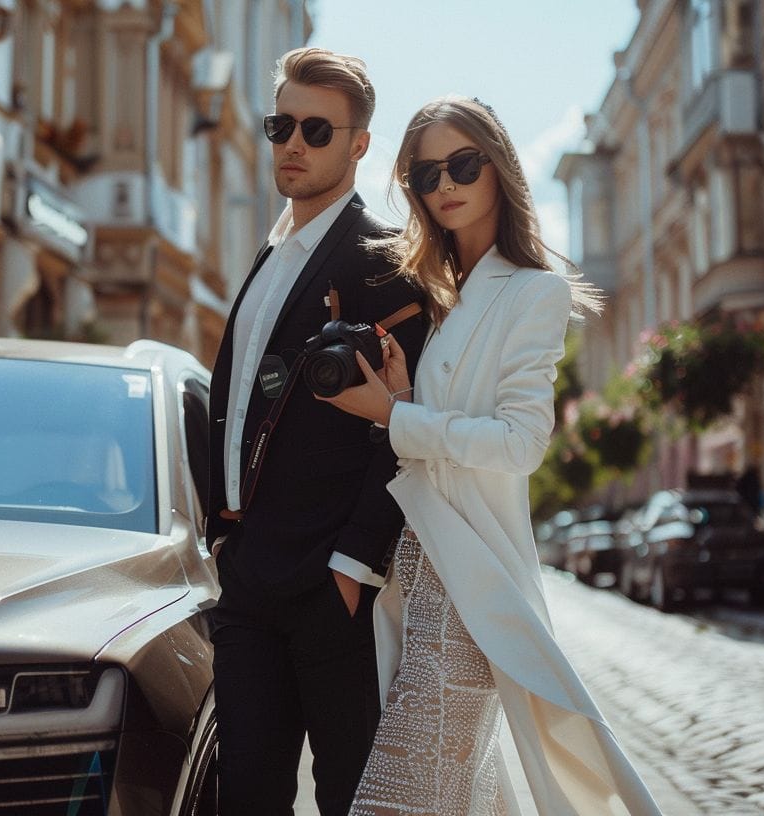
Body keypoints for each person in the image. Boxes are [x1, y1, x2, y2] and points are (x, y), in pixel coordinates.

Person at [319, 96, 662, 815]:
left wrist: (394, 415)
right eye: (425, 174)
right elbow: (437, 440)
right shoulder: (444, 301)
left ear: (499, 168)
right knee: (444, 794)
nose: (444, 183)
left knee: (403, 799)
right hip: (420, 572)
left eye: (462, 164)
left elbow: (520, 444)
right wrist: (405, 396)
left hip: (470, 582)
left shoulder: (531, 291)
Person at [205, 47, 428, 816]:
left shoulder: (385, 263)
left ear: (359, 143)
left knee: (347, 797)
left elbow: (405, 424)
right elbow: (234, 402)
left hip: (329, 584)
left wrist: (353, 564)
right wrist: (219, 532)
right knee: (248, 795)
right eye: (280, 125)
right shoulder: (271, 253)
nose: (293, 143)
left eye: (316, 129)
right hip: (248, 574)